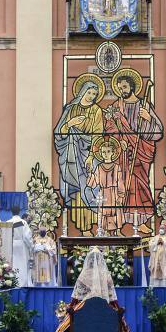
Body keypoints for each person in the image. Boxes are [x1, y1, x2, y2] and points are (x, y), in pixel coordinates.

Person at [104, 71, 164, 232]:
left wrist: (148, 118)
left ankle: (141, 221)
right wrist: (119, 140)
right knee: (122, 185)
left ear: (132, 86)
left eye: (124, 86)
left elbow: (158, 131)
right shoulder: (116, 107)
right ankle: (121, 221)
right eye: (119, 87)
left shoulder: (144, 106)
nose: (122, 90)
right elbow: (109, 127)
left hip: (141, 151)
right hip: (123, 154)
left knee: (140, 184)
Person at [54, 80, 103, 232]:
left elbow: (98, 134)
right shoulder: (71, 109)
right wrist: (70, 123)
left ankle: (93, 225)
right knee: (76, 189)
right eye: (89, 92)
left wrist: (90, 156)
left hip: (89, 153)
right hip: (71, 154)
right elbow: (59, 133)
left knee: (90, 186)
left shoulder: (96, 110)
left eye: (94, 94)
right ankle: (83, 228)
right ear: (82, 91)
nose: (92, 96)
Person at [87, 137, 126, 234]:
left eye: (108, 151)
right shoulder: (99, 167)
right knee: (104, 212)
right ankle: (104, 232)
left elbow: (120, 181)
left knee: (116, 212)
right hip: (103, 194)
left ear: (113, 153)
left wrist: (120, 196)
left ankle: (118, 231)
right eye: (104, 152)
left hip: (114, 193)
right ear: (100, 153)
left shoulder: (117, 167)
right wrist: (89, 172)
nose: (106, 154)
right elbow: (94, 182)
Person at [7, 206, 33, 287]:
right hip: (22, 245)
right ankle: (22, 284)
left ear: (12, 212)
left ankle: (13, 282)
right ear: (19, 212)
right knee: (22, 264)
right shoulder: (23, 222)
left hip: (11, 245)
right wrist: (31, 246)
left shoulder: (8, 222)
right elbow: (27, 237)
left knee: (13, 264)